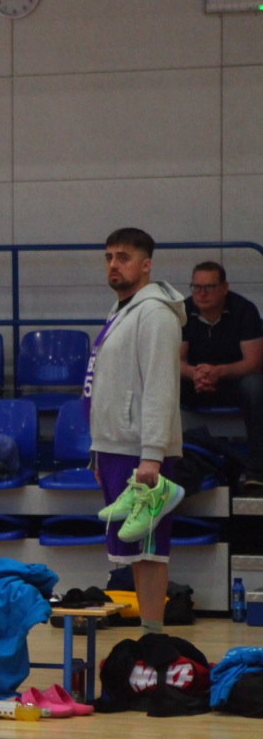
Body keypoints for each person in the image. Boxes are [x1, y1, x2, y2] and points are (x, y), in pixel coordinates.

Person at [86, 228, 186, 638]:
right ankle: (148, 637)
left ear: (146, 265)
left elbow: (161, 388)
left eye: (123, 257)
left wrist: (152, 455)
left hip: (141, 450)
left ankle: (153, 639)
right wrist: (98, 451)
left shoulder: (156, 314)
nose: (113, 264)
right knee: (131, 552)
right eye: (109, 256)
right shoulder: (121, 309)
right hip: (114, 446)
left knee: (149, 551)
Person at [180, 260, 263, 494]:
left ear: (224, 287)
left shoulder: (244, 310)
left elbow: (254, 363)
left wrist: (219, 372)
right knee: (158, 379)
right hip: (195, 382)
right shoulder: (182, 311)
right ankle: (162, 464)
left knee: (255, 385)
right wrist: (195, 374)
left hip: (232, 383)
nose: (201, 293)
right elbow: (176, 360)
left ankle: (257, 472)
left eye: (209, 287)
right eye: (196, 287)